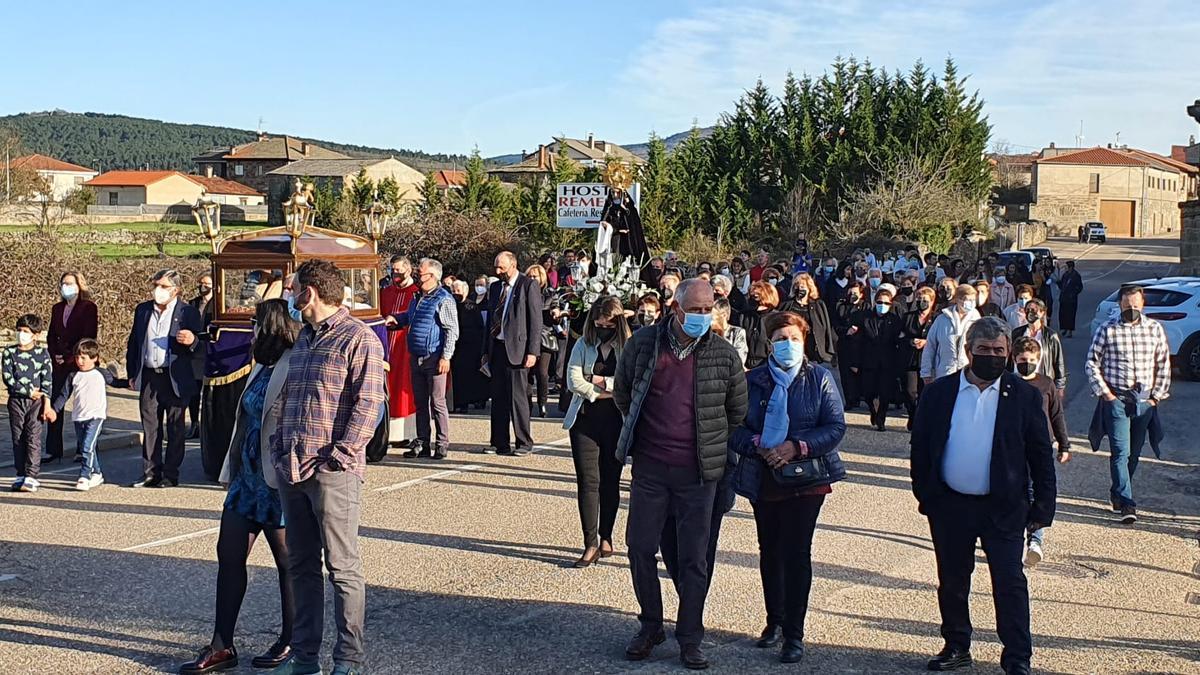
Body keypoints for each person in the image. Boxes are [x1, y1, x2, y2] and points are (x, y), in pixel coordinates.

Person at [613, 279, 748, 670]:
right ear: (676, 308)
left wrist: (709, 444)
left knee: (693, 558)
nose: (704, 316)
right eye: (697, 309)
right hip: (651, 468)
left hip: (699, 472)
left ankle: (690, 636)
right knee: (639, 546)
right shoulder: (643, 344)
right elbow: (625, 393)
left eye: (710, 309)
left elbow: (736, 411)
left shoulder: (723, 355)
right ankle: (651, 624)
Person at [910, 317, 1056, 675]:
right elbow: (922, 447)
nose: (991, 356)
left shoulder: (1024, 395)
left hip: (1003, 507)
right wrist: (926, 494)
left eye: (998, 351)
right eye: (984, 350)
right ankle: (957, 646)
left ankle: (1018, 657)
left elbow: (1040, 454)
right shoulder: (939, 393)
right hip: (951, 505)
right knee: (953, 581)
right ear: (968, 351)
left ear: (1007, 354)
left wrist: (1043, 508)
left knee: (1009, 583)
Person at [273, 259, 386, 675]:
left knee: (341, 567)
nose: (288, 296)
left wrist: (339, 456)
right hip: (292, 468)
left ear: (310, 292)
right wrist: (278, 446)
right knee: (300, 566)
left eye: (292, 288)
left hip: (332, 472)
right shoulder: (303, 338)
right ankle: (305, 659)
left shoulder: (358, 339)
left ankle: (347, 661)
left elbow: (368, 404)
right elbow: (288, 399)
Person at [180, 299, 299, 674]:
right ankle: (221, 645)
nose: (251, 330)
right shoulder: (259, 366)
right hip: (246, 482)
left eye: (255, 323)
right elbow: (245, 420)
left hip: (277, 482)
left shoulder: (294, 364)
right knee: (229, 556)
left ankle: (293, 640)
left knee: (288, 564)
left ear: (273, 325)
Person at [729, 311, 847, 664]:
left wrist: (797, 446)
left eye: (794, 338)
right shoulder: (753, 381)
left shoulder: (819, 379)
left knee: (796, 553)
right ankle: (774, 621)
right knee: (770, 549)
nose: (788, 345)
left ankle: (794, 633)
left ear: (805, 340)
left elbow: (835, 427)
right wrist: (757, 444)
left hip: (806, 479)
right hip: (764, 475)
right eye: (781, 339)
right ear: (769, 343)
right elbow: (733, 426)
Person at [1084, 286, 1171, 525]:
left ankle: (1117, 491)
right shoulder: (1107, 330)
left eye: (1135, 304)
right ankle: (1127, 502)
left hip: (1144, 402)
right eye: (1126, 305)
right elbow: (1091, 362)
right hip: (1117, 400)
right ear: (1119, 305)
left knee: (1134, 453)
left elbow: (1163, 363)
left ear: (1142, 304)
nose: (1131, 309)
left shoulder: (1154, 330)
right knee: (1120, 452)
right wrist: (1106, 394)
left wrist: (1156, 397)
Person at [562, 297, 631, 567]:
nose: (603, 327)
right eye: (599, 323)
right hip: (584, 419)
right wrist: (600, 392)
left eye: (609, 324)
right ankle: (589, 542)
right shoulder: (583, 344)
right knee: (588, 482)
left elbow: (629, 382)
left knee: (610, 481)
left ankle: (606, 536)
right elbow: (573, 380)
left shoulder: (628, 346)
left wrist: (599, 380)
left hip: (616, 421)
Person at [126, 269, 204, 488]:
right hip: (150, 375)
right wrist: (132, 373)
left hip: (175, 376)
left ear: (175, 290)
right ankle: (151, 471)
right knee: (150, 426)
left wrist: (193, 341)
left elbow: (201, 348)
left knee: (175, 427)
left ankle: (170, 474)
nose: (157, 290)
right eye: (155, 285)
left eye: (163, 286)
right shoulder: (143, 310)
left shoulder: (187, 312)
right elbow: (134, 343)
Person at [385, 258, 459, 460]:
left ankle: (442, 444)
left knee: (437, 402)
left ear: (433, 276)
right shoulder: (417, 297)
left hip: (434, 357)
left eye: (421, 273)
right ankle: (423, 442)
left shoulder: (444, 299)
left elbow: (452, 330)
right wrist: (396, 320)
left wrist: (446, 356)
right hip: (415, 355)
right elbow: (410, 317)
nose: (418, 276)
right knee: (420, 403)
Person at [1012, 336, 1071, 569]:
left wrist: (1064, 445)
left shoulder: (1046, 384)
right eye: (1022, 360)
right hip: (1013, 447)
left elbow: (1057, 416)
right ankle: (1014, 539)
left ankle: (1035, 540)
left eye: (1031, 360)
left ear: (1039, 360)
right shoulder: (1007, 383)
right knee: (1016, 493)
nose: (1027, 363)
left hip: (1041, 446)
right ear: (1014, 359)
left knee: (1037, 492)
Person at [485, 251, 543, 456]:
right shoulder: (494, 288)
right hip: (498, 348)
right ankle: (499, 442)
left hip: (518, 350)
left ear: (513, 265)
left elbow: (536, 322)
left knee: (517, 397)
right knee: (498, 397)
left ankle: (523, 442)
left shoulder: (528, 285)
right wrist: (486, 351)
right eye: (496, 267)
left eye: (501, 267)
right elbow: (490, 321)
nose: (497, 271)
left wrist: (533, 351)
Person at [45, 271, 98, 462]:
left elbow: (89, 335)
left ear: (79, 285)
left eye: (70, 283)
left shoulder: (88, 307)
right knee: (55, 402)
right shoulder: (57, 308)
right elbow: (52, 334)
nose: (66, 287)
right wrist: (55, 354)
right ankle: (53, 449)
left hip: (79, 361)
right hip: (59, 363)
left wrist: (70, 357)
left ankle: (82, 448)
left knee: (83, 405)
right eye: (63, 283)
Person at [46, 339, 112, 491]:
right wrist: (53, 410)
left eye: (84, 357)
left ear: (94, 358)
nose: (80, 361)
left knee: (87, 446)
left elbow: (115, 382)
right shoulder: (73, 376)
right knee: (86, 446)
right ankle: (97, 472)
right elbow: (63, 395)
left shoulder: (101, 373)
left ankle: (84, 475)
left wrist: (131, 382)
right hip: (78, 417)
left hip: (96, 416)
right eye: (77, 357)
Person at [4, 314, 52, 492]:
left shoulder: (42, 354)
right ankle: (20, 473)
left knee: (33, 436)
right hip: (17, 401)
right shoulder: (9, 353)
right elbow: (8, 378)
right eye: (19, 331)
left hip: (36, 403)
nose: (21, 334)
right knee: (18, 437)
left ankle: (32, 475)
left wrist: (47, 404)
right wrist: (27, 391)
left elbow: (47, 380)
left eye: (26, 331)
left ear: (36, 334)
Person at [849, 284, 905, 432]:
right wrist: (855, 362)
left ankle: (881, 418)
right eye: (880, 302)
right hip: (868, 359)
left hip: (888, 361)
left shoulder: (894, 319)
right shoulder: (865, 317)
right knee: (868, 391)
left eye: (886, 303)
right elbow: (857, 342)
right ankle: (873, 410)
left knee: (885, 392)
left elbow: (899, 339)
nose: (882, 305)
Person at [379, 255, 419, 447]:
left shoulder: (416, 293)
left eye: (398, 270)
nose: (395, 274)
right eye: (392, 270)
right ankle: (386, 432)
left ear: (408, 270)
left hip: (406, 348)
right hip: (387, 346)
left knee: (405, 390)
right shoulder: (386, 292)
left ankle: (407, 434)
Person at [921, 284, 981, 385]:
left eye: (973, 300)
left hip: (969, 374)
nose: (970, 303)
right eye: (967, 299)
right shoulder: (942, 320)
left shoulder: (978, 321)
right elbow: (930, 346)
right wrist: (926, 372)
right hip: (944, 372)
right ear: (957, 299)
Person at [899, 286, 937, 430]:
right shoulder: (908, 317)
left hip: (928, 360)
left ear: (932, 301)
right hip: (910, 359)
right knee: (909, 392)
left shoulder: (936, 318)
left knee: (924, 392)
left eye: (925, 300)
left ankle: (920, 420)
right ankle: (912, 414)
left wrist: (927, 342)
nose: (922, 302)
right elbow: (900, 336)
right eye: (919, 299)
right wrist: (910, 341)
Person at [449, 280, 489, 413]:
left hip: (470, 345)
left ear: (465, 291)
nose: (455, 293)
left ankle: (467, 402)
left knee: (468, 375)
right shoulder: (450, 305)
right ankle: (456, 402)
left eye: (458, 291)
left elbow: (479, 327)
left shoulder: (472, 307)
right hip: (455, 345)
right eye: (453, 291)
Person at [779, 273, 835, 366]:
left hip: (812, 348)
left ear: (809, 288)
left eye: (803, 286)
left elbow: (826, 327)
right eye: (797, 285)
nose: (800, 288)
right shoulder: (787, 305)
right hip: (792, 346)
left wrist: (829, 348)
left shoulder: (818, 305)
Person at [525, 264, 557, 419]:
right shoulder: (523, 292)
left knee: (542, 372)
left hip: (544, 336)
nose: (532, 279)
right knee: (527, 373)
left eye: (535, 276)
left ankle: (542, 403)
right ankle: (527, 403)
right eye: (530, 276)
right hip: (526, 336)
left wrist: (555, 312)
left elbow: (555, 306)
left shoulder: (550, 293)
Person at [1012, 300, 1066, 390]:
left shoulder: (1051, 336)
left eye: (1034, 310)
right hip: (1018, 381)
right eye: (1027, 310)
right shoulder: (1017, 333)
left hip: (1041, 383)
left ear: (1042, 313)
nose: (1030, 313)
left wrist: (1060, 387)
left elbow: (1058, 362)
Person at [186, 274, 215, 440]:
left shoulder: (219, 304)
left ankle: (207, 424)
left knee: (209, 391)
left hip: (210, 349)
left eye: (207, 284)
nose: (203, 287)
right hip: (194, 350)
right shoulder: (193, 303)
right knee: (194, 391)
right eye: (201, 283)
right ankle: (194, 423)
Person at [833, 282, 867, 409]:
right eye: (850, 293)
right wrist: (845, 330)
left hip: (860, 344)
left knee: (859, 372)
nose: (852, 295)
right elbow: (835, 324)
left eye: (855, 293)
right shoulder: (841, 306)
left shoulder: (865, 306)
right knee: (846, 374)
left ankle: (860, 396)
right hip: (845, 343)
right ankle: (850, 400)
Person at [740, 280, 780, 370]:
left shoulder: (777, 318)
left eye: (757, 296)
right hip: (745, 366)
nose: (753, 299)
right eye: (752, 296)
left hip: (768, 366)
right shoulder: (744, 316)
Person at [712, 297, 748, 367]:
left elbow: (739, 359)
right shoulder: (707, 333)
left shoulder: (737, 333)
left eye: (712, 316)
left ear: (724, 315)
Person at [1057, 261, 1083, 337]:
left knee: (1070, 315)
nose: (1065, 268)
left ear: (1070, 267)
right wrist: (1058, 283)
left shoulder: (1076, 275)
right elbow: (1062, 286)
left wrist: (1073, 293)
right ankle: (1064, 328)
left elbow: (1080, 287)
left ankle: (1070, 331)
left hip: (1071, 299)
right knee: (1063, 314)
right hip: (1063, 298)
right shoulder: (1065, 275)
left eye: (1066, 267)